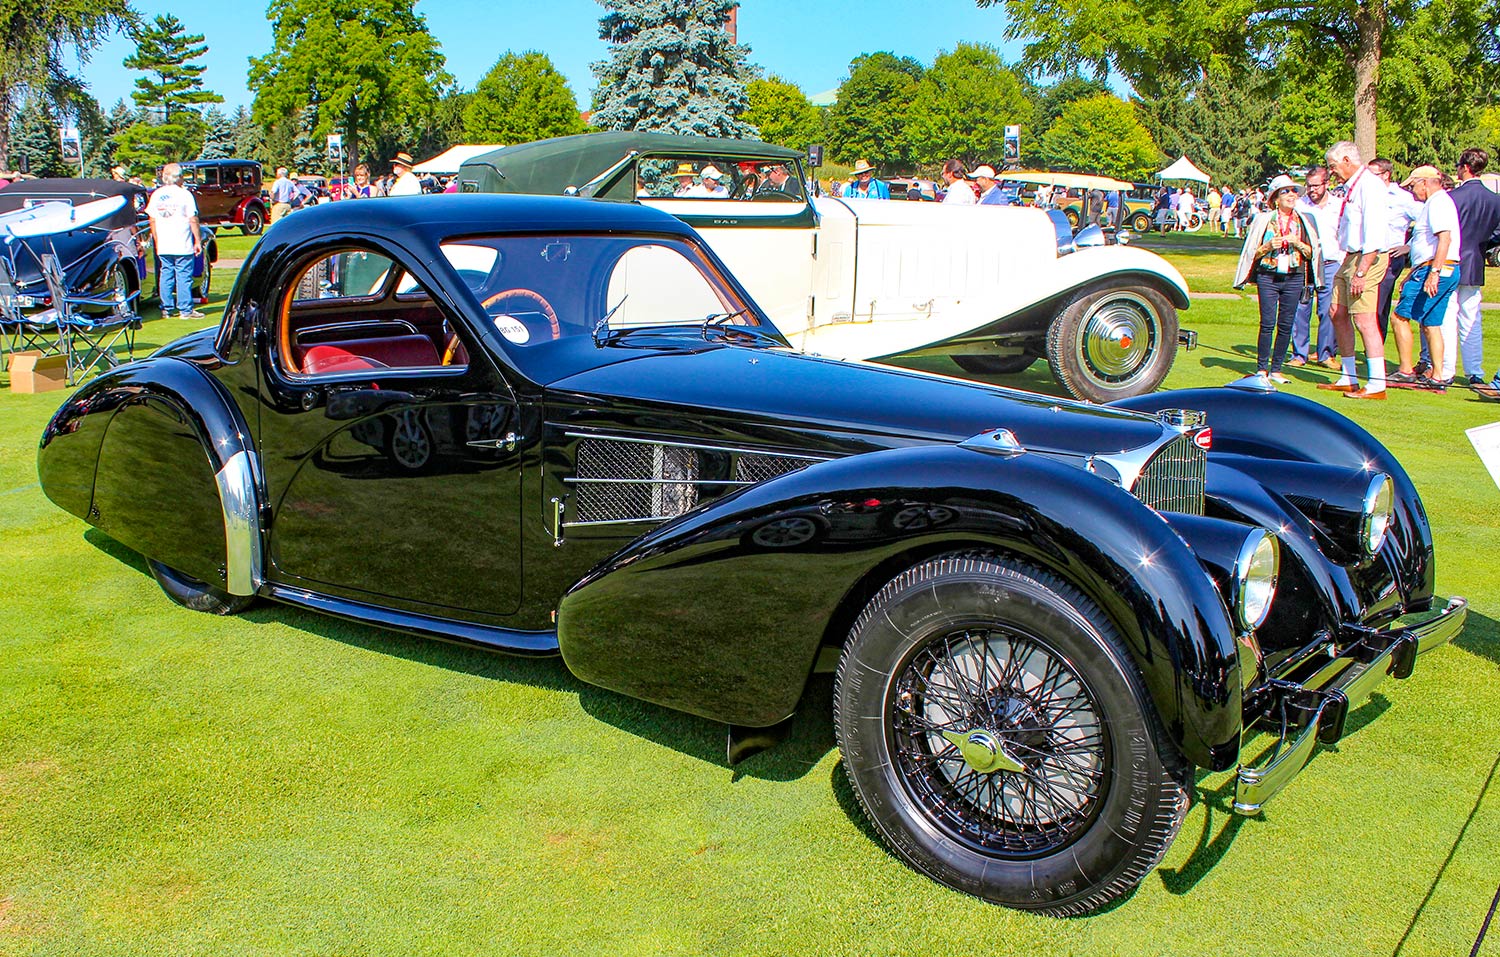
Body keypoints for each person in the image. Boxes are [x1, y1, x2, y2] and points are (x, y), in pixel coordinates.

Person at [1232, 174, 1320, 382]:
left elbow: (1312, 253)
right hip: (1268, 276)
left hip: (1294, 276)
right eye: (1285, 191)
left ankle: (1277, 369)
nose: (1291, 195)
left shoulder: (1305, 220)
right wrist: (1268, 247)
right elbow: (1251, 252)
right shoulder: (1264, 219)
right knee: (1268, 322)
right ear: (1275, 198)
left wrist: (1297, 243)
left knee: (1286, 323)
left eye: (1293, 191)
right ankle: (1262, 368)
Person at [1320, 140, 1390, 399]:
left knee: (1364, 319)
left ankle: (1376, 384)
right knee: (1337, 312)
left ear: (1347, 161)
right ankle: (1348, 376)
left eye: (1334, 166)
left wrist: (1362, 271)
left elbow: (1374, 232)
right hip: (1349, 257)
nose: (1332, 171)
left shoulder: (1370, 186)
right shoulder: (1353, 186)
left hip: (1367, 258)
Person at [1387, 165, 1460, 392]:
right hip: (1441, 268)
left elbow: (1444, 240)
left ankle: (1406, 370)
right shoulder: (1437, 203)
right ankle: (1437, 377)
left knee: (1399, 317)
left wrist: (1433, 273)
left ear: (1426, 182)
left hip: (1435, 268)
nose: (1412, 191)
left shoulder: (1438, 203)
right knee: (1431, 323)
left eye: (1413, 185)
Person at [1441, 148, 1500, 390]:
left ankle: (1446, 369)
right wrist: (1484, 243)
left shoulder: (1452, 197)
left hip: (1451, 260)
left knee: (1447, 317)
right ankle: (1474, 371)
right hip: (1475, 259)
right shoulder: (1495, 200)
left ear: (1465, 167)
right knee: (1471, 319)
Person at [1289, 167, 1343, 367]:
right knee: (1301, 309)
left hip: (1330, 262)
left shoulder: (1339, 206)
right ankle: (1299, 354)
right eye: (1308, 185)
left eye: (1316, 186)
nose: (1312, 190)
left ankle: (1326, 354)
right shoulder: (1300, 206)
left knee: (1329, 309)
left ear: (1327, 184)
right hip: (1305, 264)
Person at [146, 162, 205, 320]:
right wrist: (197, 240)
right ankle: (185, 310)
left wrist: (156, 238)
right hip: (181, 241)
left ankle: (167, 308)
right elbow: (192, 218)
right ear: (178, 178)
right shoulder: (184, 194)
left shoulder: (157, 194)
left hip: (164, 242)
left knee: (166, 274)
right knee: (183, 275)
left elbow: (152, 219)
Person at [1370, 157, 1420, 342]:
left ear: (1386, 175)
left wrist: (1409, 246)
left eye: (1373, 174)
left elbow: (1427, 224)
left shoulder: (1403, 198)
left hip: (1390, 257)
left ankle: (1375, 351)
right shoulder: (1368, 194)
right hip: (1368, 256)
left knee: (1379, 306)